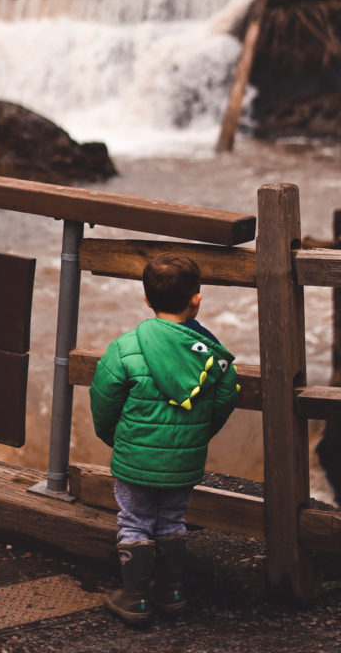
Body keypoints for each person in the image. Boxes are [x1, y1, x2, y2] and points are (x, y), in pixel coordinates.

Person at [89, 251, 239, 626]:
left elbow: (103, 400)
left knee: (135, 521)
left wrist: (118, 440)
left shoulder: (126, 347)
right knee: (172, 520)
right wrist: (193, 439)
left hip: (135, 459)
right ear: (197, 298)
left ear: (146, 298)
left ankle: (136, 600)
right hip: (183, 462)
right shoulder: (213, 357)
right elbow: (224, 399)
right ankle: (171, 593)